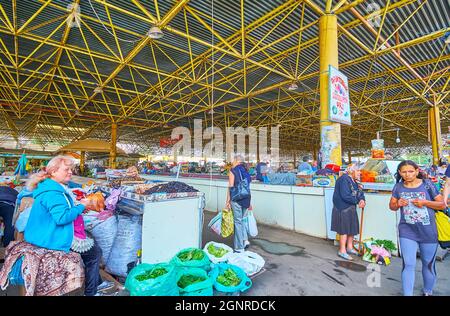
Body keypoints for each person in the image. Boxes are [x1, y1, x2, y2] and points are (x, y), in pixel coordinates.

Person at [25, 156, 113, 296]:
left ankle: (98, 283)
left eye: (71, 169)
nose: (71, 172)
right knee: (95, 253)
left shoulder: (50, 187)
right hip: (51, 236)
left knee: (93, 247)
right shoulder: (54, 193)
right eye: (66, 169)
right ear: (53, 172)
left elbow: (61, 211)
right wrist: (81, 206)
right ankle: (91, 292)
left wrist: (77, 208)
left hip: (44, 233)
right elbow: (62, 218)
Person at [389, 160, 446, 296]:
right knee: (408, 264)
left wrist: (425, 202)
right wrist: (398, 203)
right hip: (407, 231)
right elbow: (391, 206)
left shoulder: (427, 185)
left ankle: (427, 291)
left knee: (428, 264)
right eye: (404, 172)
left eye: (410, 171)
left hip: (428, 232)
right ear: (399, 173)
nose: (407, 174)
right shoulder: (398, 187)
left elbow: (442, 205)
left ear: (416, 171)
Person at [331, 164, 365, 261]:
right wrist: (358, 201)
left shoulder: (355, 180)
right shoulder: (344, 179)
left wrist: (362, 199)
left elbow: (360, 192)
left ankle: (349, 247)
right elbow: (345, 195)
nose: (360, 173)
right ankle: (342, 250)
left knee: (351, 227)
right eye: (358, 171)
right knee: (344, 229)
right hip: (342, 208)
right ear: (351, 171)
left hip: (350, 207)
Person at [226, 155, 251, 252]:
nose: (232, 162)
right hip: (246, 199)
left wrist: (227, 201)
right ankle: (245, 240)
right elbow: (247, 187)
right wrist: (250, 202)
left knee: (238, 222)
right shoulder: (246, 171)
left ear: (236, 161)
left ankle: (239, 247)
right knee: (242, 221)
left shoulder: (233, 170)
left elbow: (231, 187)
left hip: (236, 199)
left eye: (233, 160)